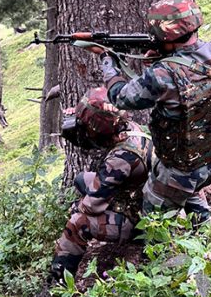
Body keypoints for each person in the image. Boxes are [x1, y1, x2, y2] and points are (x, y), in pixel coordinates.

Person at [83, 0, 211, 225]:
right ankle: (205, 238)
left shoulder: (162, 73)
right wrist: (165, 59)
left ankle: (163, 257)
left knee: (155, 222)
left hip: (180, 170)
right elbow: (194, 70)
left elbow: (120, 97)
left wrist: (108, 60)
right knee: (190, 193)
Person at [49, 87, 155, 280]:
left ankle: (58, 284)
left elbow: (92, 205)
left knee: (77, 222)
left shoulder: (120, 158)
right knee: (82, 179)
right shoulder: (130, 127)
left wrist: (77, 208)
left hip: (138, 219)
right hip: (139, 194)